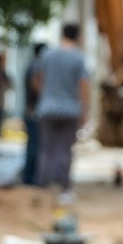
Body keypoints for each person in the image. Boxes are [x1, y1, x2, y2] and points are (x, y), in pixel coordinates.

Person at [31, 23, 89, 194]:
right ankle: (63, 189)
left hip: (47, 108)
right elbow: (83, 85)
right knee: (64, 149)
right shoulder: (78, 58)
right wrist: (85, 109)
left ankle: (43, 187)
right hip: (70, 110)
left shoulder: (47, 55)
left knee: (46, 149)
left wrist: (46, 94)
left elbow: (36, 79)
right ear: (77, 36)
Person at [21, 43, 46, 185]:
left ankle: (30, 177)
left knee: (33, 144)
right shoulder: (36, 65)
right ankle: (30, 179)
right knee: (34, 146)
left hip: (30, 111)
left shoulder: (31, 65)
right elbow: (36, 85)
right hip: (33, 112)